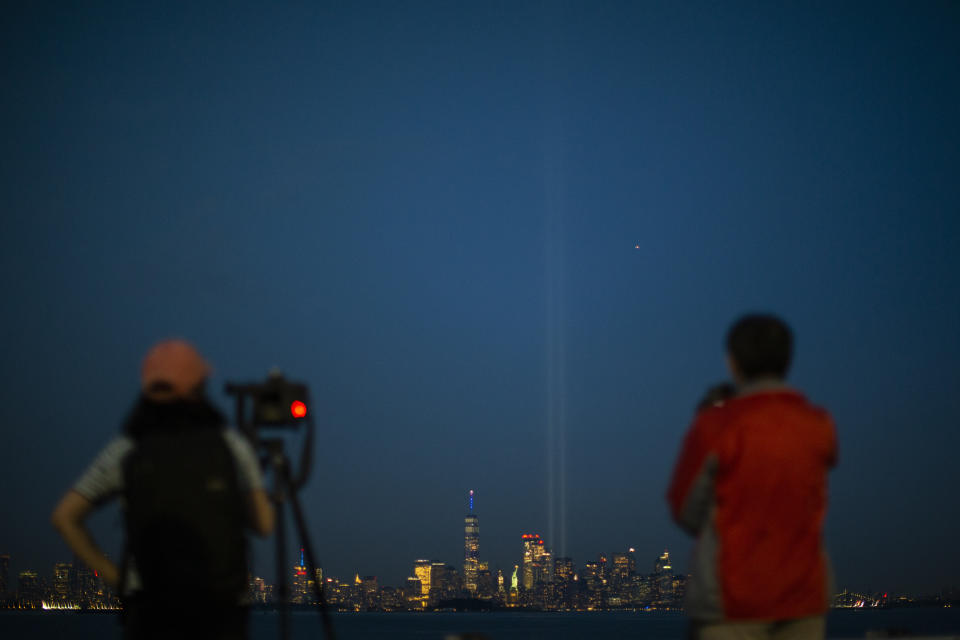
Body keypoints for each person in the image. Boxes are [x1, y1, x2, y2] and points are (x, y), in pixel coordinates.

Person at [51, 340, 275, 639]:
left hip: (150, 607)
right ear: (200, 386)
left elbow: (65, 517)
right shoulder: (230, 445)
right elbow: (264, 524)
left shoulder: (129, 448)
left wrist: (120, 583)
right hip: (221, 610)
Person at [667, 314, 837, 640]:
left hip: (732, 600)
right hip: (803, 595)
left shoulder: (716, 426)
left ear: (733, 363)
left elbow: (685, 513)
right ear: (788, 360)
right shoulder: (819, 426)